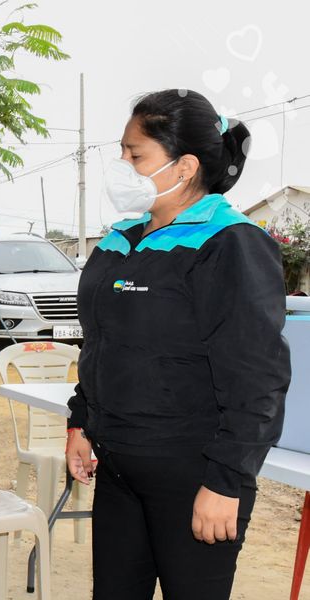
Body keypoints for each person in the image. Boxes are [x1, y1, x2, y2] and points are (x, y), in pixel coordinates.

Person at [65, 89, 290, 600]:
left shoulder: (228, 242)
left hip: (194, 471)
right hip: (119, 464)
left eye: (135, 154)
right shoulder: (121, 239)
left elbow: (258, 377)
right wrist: (82, 420)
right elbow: (101, 342)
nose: (122, 165)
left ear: (184, 167)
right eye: (122, 152)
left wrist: (226, 480)